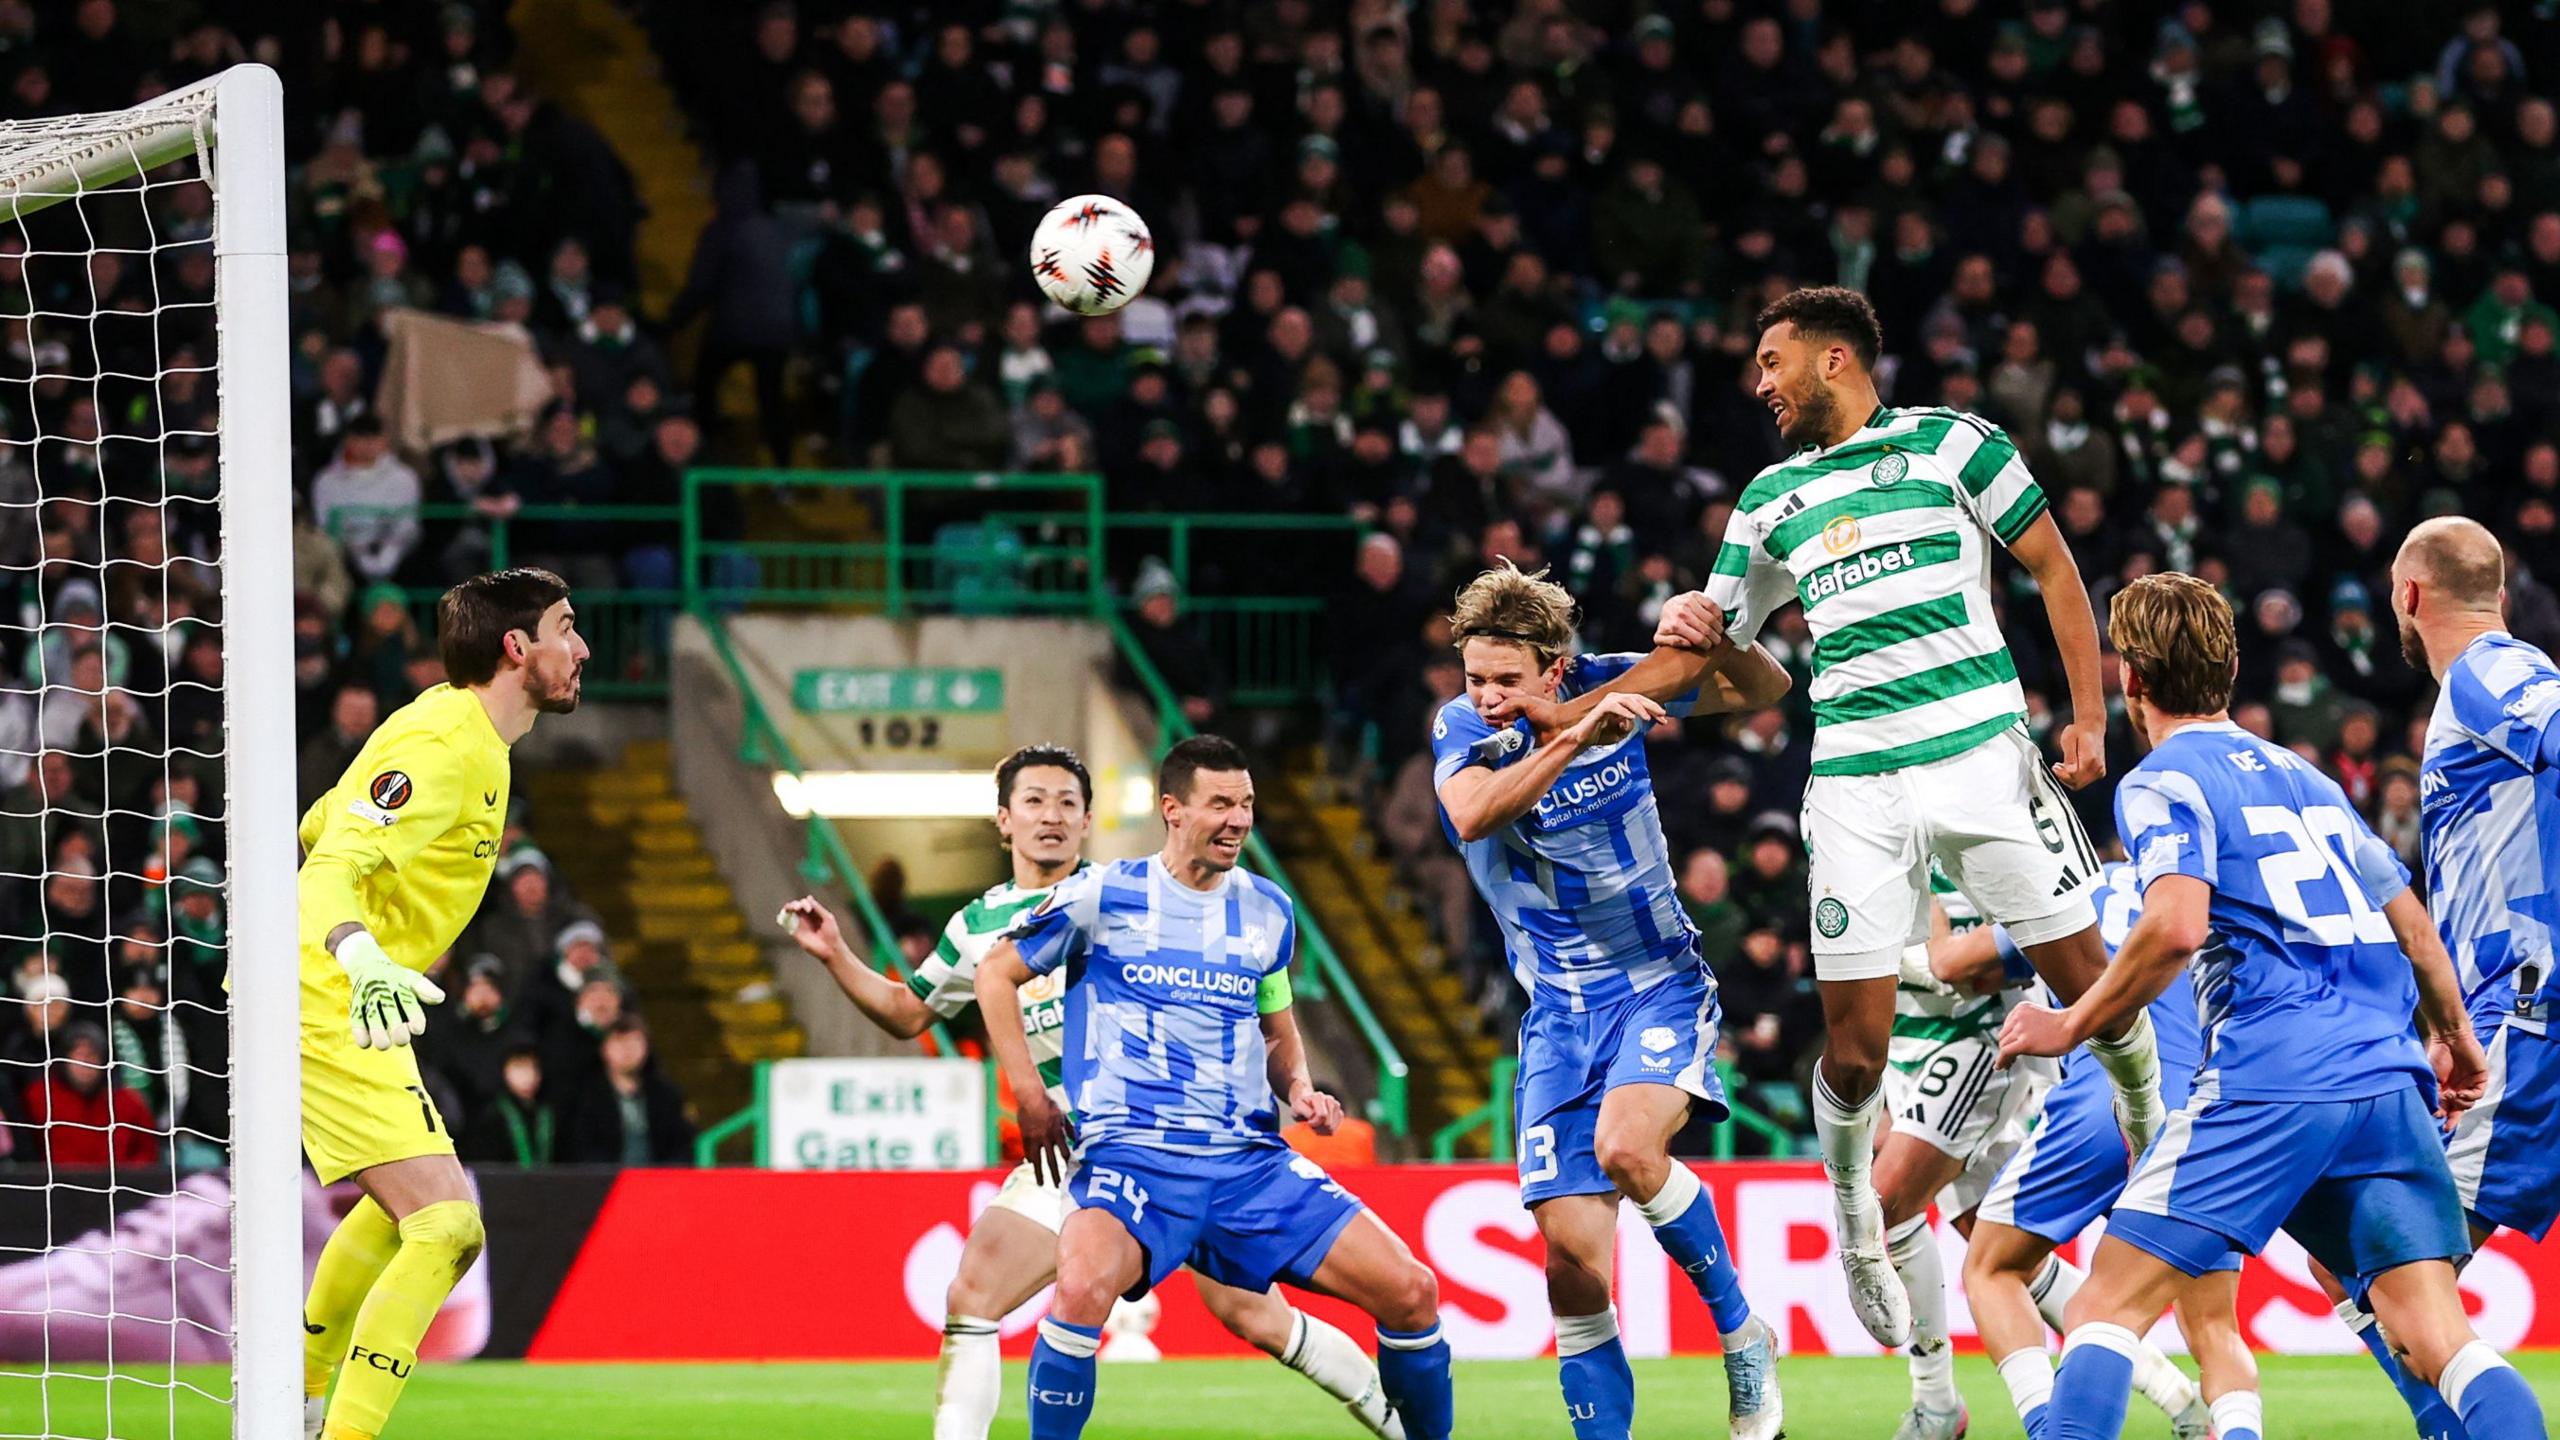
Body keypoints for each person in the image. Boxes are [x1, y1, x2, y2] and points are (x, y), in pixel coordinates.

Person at [1653, 286, 2163, 1344]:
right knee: (1854, 1052)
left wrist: (2087, 717)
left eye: (1772, 361)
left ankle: (2152, 1131)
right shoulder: (1768, 498)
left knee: (2092, 984)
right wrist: (1667, 640)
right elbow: (1719, 660)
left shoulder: (1954, 444)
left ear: (1834, 359)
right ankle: (1854, 1219)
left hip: (1981, 759)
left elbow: (2055, 569)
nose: (1759, 383)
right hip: (1856, 786)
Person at [1997, 572, 2544, 1440]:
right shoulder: (2309, 778)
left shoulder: (2162, 780)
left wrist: (2070, 1021)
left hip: (2273, 1073)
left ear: (2130, 679)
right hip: (2388, 1079)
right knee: (2441, 1337)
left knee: (2105, 1305)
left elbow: (2175, 928)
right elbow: (2416, 931)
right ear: (2231, 668)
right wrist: (2456, 1040)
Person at [782, 744, 1406, 1440]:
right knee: (974, 1293)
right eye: (1034, 801)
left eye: (1067, 803)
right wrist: (837, 955)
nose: (1051, 816)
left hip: (1174, 1141)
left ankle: (1393, 1417)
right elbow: (908, 1012)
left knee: (1255, 1316)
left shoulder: (1122, 895)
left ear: (1087, 821)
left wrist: (1289, 1084)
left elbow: (1257, 1003)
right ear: (1003, 820)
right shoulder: (977, 926)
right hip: (1070, 1149)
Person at [974, 737, 1455, 1440]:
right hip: (1132, 1153)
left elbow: (1276, 1027)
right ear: (1173, 809)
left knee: (1412, 1292)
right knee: (1080, 1289)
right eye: (1221, 804)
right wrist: (1031, 1096)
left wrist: (1300, 1087)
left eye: (1247, 804)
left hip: (1246, 1165)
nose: (1238, 820)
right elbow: (995, 974)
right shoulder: (1102, 895)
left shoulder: (1268, 909)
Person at [1433, 561, 1790, 1440]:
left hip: (1657, 983)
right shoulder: (1463, 728)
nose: (1487, 697)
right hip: (1558, 1016)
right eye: (1476, 678)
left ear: (1556, 666)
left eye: (1507, 679)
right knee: (1573, 1272)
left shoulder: (1621, 679)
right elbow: (1472, 815)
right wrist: (1573, 733)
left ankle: (1743, 1335)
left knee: (1629, 1148)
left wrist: (1716, 631)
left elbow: (1765, 687)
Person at [296, 567, 588, 1440]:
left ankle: (296, 1398)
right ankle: (333, 1428)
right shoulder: (443, 744)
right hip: (328, 990)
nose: (581, 647)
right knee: (448, 1223)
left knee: (405, 1215)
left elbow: (320, 824)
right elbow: (327, 866)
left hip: (347, 995)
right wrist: (361, 954)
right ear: (516, 647)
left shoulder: (467, 737)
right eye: (566, 627)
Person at [2372, 514, 2560, 1434]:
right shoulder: (2478, 692)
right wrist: (2450, 1027)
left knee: (2395, 1269)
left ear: (2410, 593)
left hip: (2532, 1012)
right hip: (2503, 1015)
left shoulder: (2493, 670)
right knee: (2383, 1270)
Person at [1958, 864, 2243, 1440]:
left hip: (2106, 1101)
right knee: (2215, 1326)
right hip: (2207, 1111)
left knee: (1992, 1267)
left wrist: (1932, 915)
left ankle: (2049, 1427)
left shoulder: (2073, 890)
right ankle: (2236, 1430)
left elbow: (1953, 966)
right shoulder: (2212, 898)